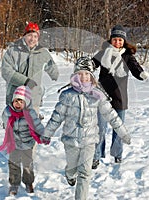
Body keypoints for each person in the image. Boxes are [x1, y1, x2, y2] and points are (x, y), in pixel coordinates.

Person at [40, 57, 131, 200]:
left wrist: (123, 133)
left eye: (87, 74)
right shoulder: (67, 95)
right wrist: (47, 134)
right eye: (80, 73)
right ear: (75, 75)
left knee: (85, 173)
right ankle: (70, 175)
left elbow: (111, 115)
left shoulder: (97, 95)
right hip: (71, 141)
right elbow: (56, 117)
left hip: (89, 141)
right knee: (72, 168)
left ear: (92, 76)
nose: (83, 77)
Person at [92, 24, 149, 168]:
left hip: (120, 97)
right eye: (115, 39)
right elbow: (92, 64)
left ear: (124, 41)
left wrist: (141, 74)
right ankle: (96, 156)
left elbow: (135, 67)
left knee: (119, 128)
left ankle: (117, 155)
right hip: (103, 96)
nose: (117, 42)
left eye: (120, 40)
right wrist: (83, 68)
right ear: (111, 40)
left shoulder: (127, 56)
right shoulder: (103, 53)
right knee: (100, 128)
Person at [0, 86, 47, 195]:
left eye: (21, 101)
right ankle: (14, 183)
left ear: (26, 102)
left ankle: (28, 182)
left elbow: (37, 125)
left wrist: (44, 135)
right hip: (13, 144)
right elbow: (5, 121)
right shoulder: (8, 112)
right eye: (16, 101)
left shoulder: (30, 113)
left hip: (27, 144)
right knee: (13, 164)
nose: (18, 104)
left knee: (27, 164)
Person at [1, 22, 59, 115]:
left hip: (34, 98)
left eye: (35, 36)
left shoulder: (42, 52)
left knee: (33, 127)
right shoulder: (13, 51)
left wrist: (54, 74)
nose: (32, 39)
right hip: (15, 99)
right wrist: (25, 81)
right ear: (24, 36)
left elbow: (52, 67)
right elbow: (6, 71)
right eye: (29, 35)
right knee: (15, 126)